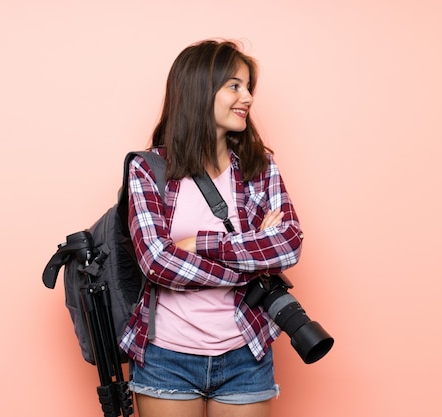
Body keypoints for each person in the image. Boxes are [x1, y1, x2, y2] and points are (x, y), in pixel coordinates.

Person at [120, 39, 304, 417]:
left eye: (249, 87)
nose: (248, 98)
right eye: (235, 86)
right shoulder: (148, 170)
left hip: (246, 352)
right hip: (166, 355)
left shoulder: (260, 167)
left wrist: (198, 244)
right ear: (200, 90)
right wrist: (252, 253)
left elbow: (288, 245)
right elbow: (157, 263)